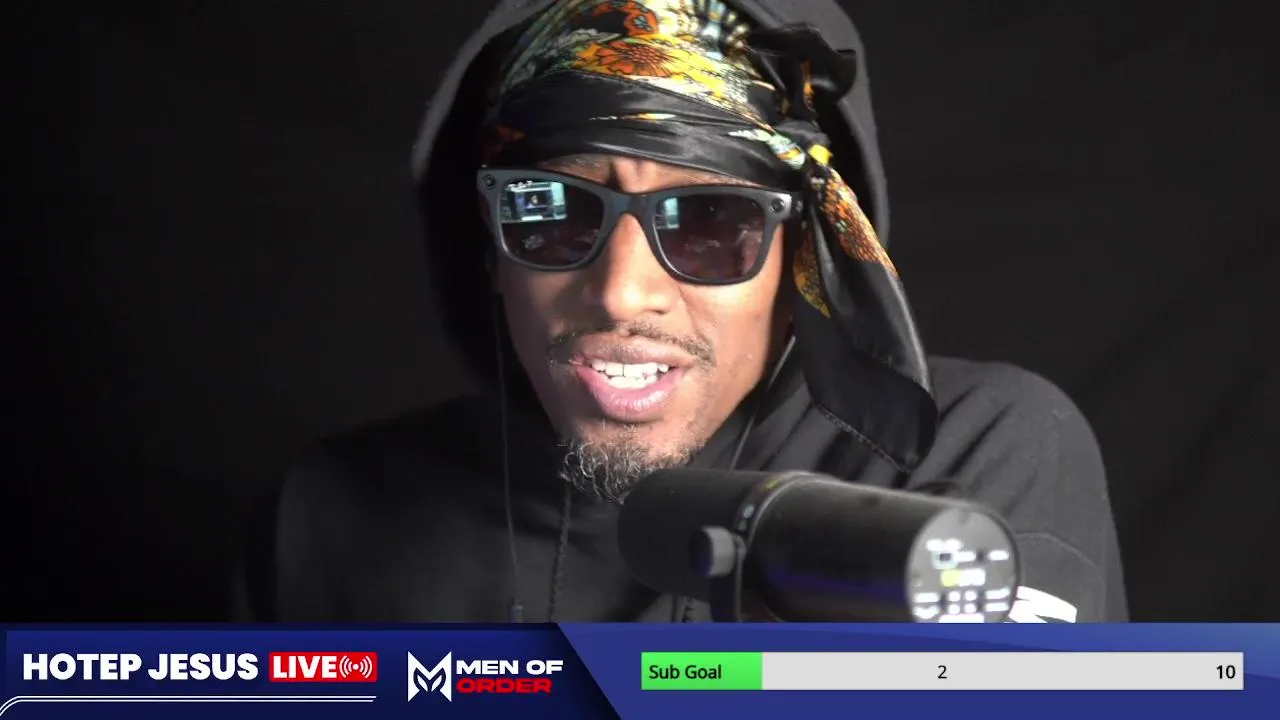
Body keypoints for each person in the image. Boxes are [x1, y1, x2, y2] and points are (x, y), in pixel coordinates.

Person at [234, 0, 1127, 623]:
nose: (621, 293)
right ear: (490, 250)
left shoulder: (971, 457)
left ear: (807, 260)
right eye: (554, 211)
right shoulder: (330, 513)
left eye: (710, 221)